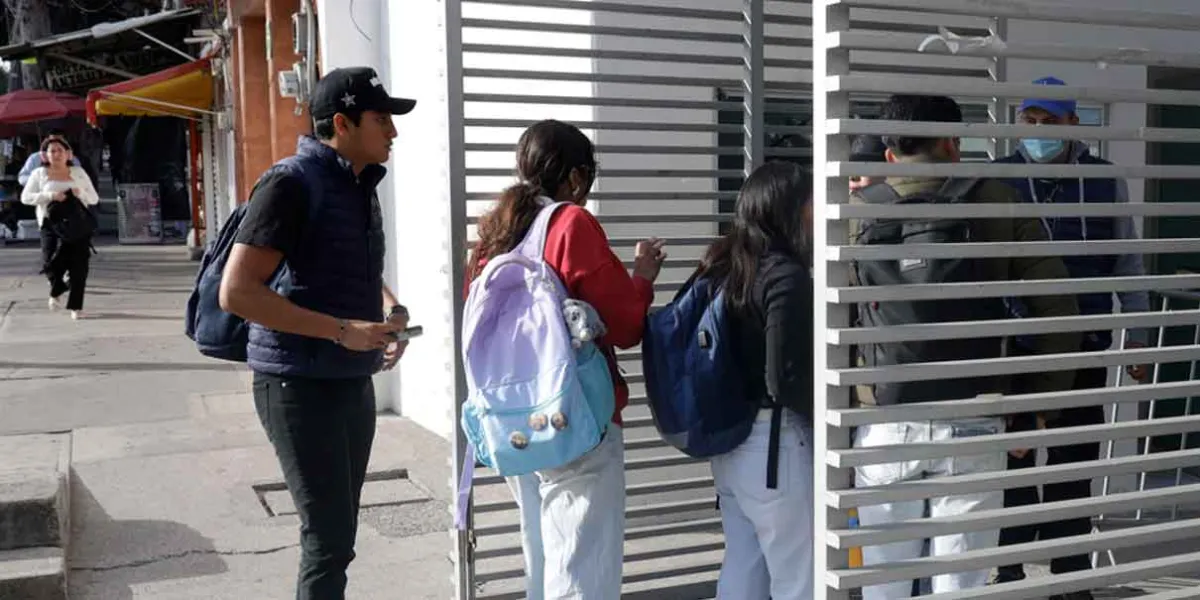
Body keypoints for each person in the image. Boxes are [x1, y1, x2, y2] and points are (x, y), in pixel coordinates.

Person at [849, 94, 1081, 598]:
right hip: (977, 415)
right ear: (953, 145)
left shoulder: (857, 211)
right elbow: (1059, 309)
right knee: (962, 584)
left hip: (885, 419)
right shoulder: (998, 200)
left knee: (883, 583)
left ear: (889, 153)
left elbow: (836, 317)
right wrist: (1037, 404)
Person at [218, 67, 415, 600]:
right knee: (327, 539)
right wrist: (342, 330)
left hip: (349, 377)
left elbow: (343, 267)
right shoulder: (290, 183)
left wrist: (390, 310)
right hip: (297, 383)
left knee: (339, 535)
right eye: (381, 119)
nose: (393, 131)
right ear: (342, 124)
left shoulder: (358, 182)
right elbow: (237, 292)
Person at [465, 119, 665, 599]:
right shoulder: (570, 223)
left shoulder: (496, 232)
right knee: (581, 561)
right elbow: (625, 325)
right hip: (574, 416)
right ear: (576, 177)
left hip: (512, 419)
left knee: (541, 552)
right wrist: (642, 277)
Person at [992, 77, 1151, 600]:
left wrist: (1137, 337)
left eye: (1049, 122)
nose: (1037, 131)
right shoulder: (999, 178)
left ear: (1073, 125)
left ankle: (1070, 575)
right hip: (1016, 345)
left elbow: (1127, 262)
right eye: (1030, 121)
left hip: (1085, 343)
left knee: (1074, 461)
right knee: (1013, 461)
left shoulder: (1103, 181)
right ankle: (1008, 571)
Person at [695, 161, 814, 600]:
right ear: (790, 209)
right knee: (799, 576)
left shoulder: (723, 268)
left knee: (743, 566)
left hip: (730, 444)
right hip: (776, 446)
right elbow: (785, 378)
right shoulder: (785, 276)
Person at [21, 137, 99, 320]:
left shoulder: (78, 172)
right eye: (52, 151)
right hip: (50, 223)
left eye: (60, 150)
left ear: (68, 154)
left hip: (77, 224)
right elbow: (26, 197)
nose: (56, 154)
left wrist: (81, 193)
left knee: (79, 266)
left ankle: (76, 307)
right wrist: (50, 195)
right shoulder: (39, 174)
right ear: (44, 156)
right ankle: (57, 288)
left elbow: (94, 198)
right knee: (50, 262)